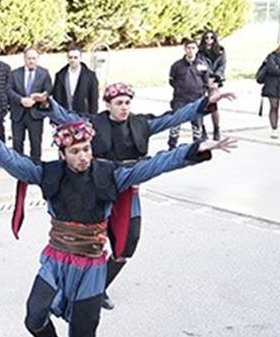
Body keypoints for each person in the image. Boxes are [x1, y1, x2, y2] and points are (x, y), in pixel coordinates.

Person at [0, 117, 235, 337]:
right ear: (63, 154)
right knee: (33, 317)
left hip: (91, 265)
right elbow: (12, 161)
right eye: (75, 151)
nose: (83, 156)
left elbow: (155, 165)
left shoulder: (110, 174)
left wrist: (198, 147)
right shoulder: (49, 173)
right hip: (56, 259)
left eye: (86, 149)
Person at [45, 83, 233, 310]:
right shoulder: (94, 124)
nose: (124, 107)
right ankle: (66, 290)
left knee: (126, 245)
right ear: (107, 104)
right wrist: (47, 104)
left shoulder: (141, 124)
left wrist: (206, 102)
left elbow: (174, 117)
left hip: (128, 187)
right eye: (118, 103)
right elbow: (66, 116)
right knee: (84, 241)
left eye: (127, 102)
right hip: (96, 186)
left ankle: (98, 287)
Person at [9, 47, 52, 162]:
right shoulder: (14, 73)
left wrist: (38, 99)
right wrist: (21, 100)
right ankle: (19, 170)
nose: (31, 61)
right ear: (24, 59)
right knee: (17, 144)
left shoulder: (44, 73)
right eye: (29, 58)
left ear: (38, 59)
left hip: (36, 114)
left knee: (36, 143)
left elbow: (48, 90)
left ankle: (36, 168)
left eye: (33, 58)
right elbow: (8, 90)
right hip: (18, 114)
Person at [166, 41, 211, 147]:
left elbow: (206, 81)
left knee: (197, 123)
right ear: (184, 49)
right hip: (180, 99)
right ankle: (172, 145)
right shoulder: (176, 65)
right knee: (175, 122)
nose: (190, 50)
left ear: (197, 49)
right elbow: (172, 81)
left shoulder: (202, 65)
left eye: (193, 48)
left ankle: (197, 145)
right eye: (188, 48)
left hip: (197, 99)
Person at [50, 47, 99, 117]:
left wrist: (93, 117)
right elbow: (56, 98)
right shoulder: (60, 75)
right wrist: (54, 118)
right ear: (67, 58)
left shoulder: (90, 76)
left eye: (75, 57)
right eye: (70, 57)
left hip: (83, 115)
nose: (73, 60)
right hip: (64, 116)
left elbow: (94, 99)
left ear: (80, 58)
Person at [198, 30, 227, 140]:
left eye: (211, 38)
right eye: (207, 38)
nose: (209, 40)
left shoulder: (220, 50)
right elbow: (199, 65)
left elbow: (222, 66)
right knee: (200, 106)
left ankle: (216, 129)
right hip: (201, 80)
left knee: (213, 105)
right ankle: (202, 130)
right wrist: (207, 78)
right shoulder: (199, 51)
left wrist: (215, 77)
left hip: (215, 80)